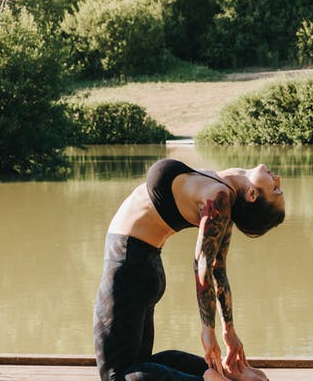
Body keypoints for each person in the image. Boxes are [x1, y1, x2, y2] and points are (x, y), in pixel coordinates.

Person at [93, 158, 286, 381]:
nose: (277, 179)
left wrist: (209, 331)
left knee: (115, 376)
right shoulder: (225, 192)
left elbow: (204, 264)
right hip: (141, 267)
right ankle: (220, 374)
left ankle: (209, 380)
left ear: (252, 194)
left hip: (128, 267)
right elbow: (218, 270)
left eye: (276, 189)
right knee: (137, 365)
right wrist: (228, 332)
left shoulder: (220, 197)